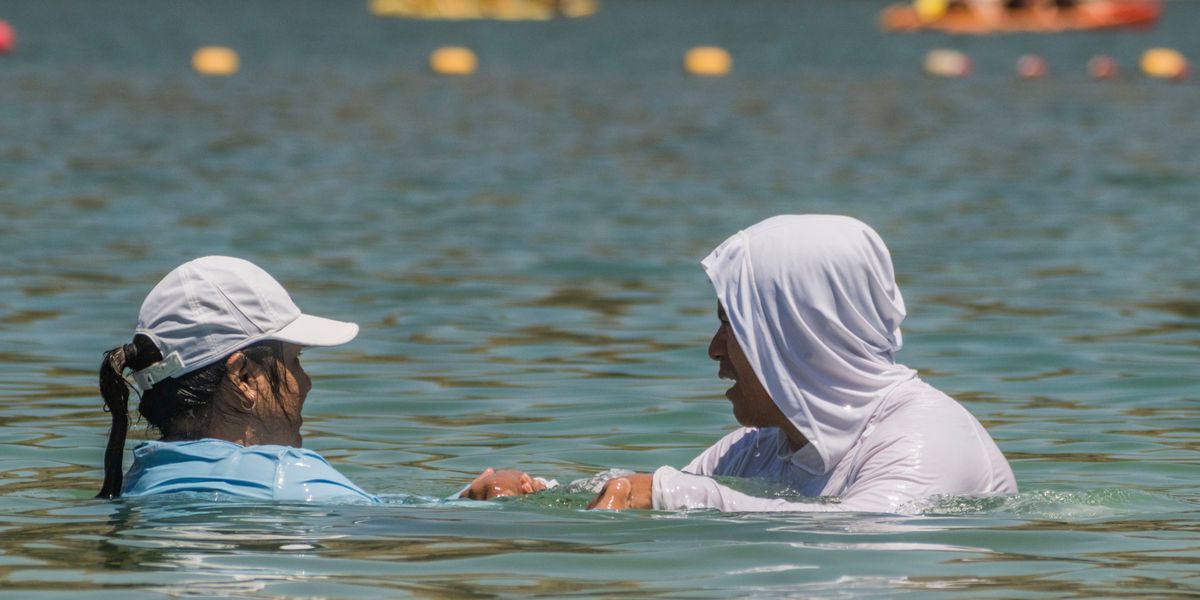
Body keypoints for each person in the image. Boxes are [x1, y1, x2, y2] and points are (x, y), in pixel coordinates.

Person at [468, 215, 1018, 512]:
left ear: (796, 333)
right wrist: (533, 494)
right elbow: (647, 494)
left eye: (733, 327)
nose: (714, 350)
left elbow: (869, 537)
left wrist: (672, 494)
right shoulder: (761, 448)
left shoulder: (925, 436)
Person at [97, 256, 376, 502]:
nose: (306, 382)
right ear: (242, 377)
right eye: (294, 359)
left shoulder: (135, 481)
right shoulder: (293, 479)